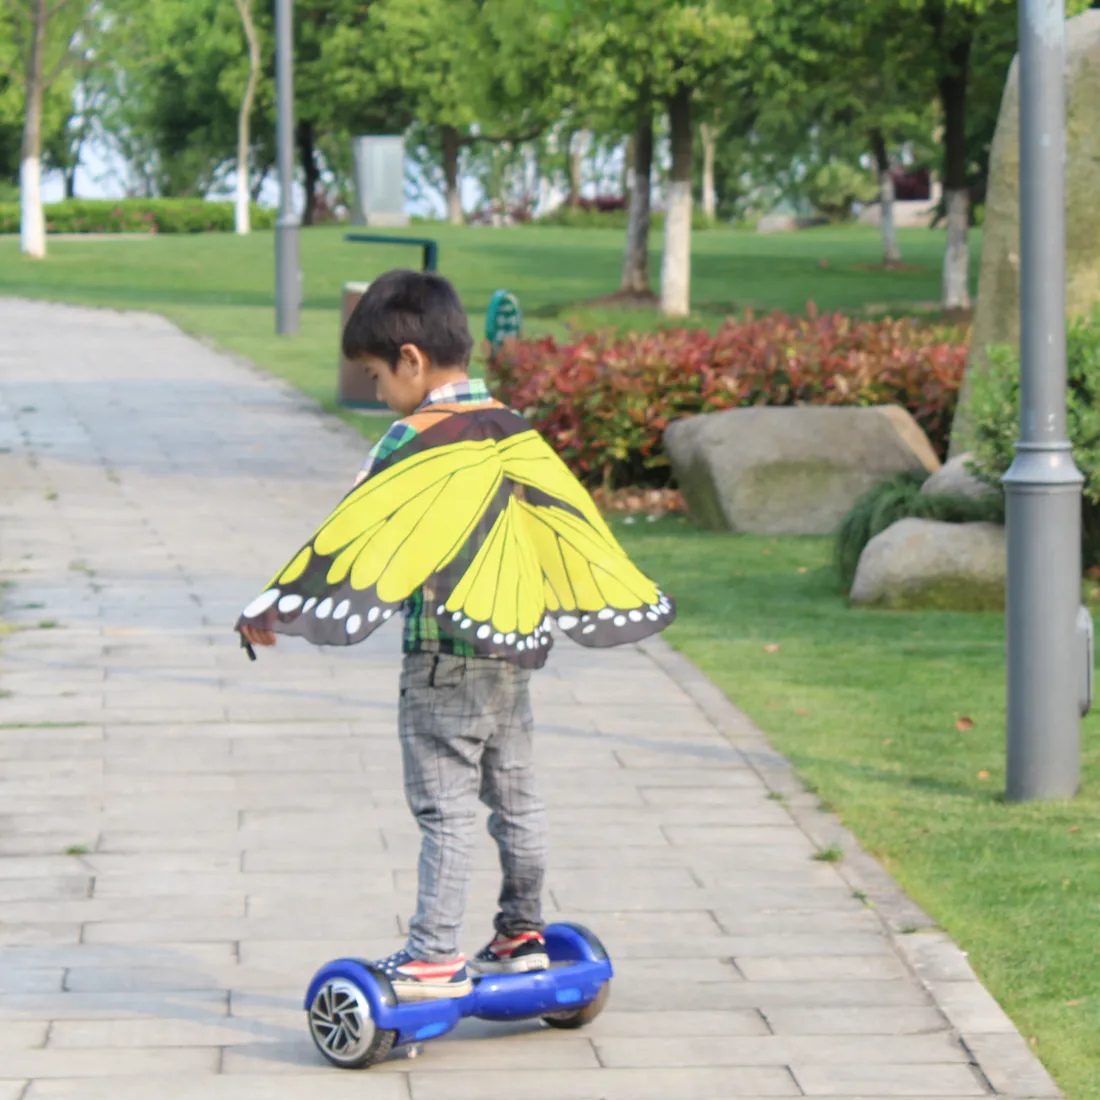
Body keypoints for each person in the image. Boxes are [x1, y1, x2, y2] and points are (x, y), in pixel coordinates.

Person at [238, 269, 674, 1001]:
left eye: (377, 376)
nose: (379, 394)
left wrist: (276, 603)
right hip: (514, 655)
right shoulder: (515, 427)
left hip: (442, 661)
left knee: (445, 810)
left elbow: (355, 533)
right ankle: (522, 935)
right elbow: (569, 522)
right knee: (518, 800)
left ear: (410, 360)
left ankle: (434, 955)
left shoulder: (415, 439)